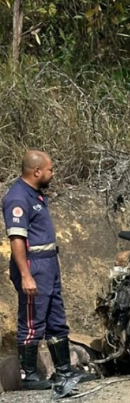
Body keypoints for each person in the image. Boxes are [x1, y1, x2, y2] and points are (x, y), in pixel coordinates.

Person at [2, 150, 95, 390]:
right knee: (33, 321)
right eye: (50, 170)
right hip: (34, 265)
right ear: (37, 171)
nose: (52, 174)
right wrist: (26, 275)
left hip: (49, 263)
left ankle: (64, 370)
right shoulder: (18, 198)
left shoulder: (36, 194)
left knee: (56, 319)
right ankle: (28, 375)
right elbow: (17, 239)